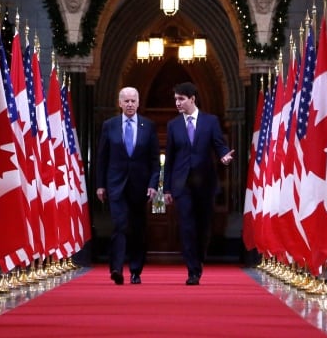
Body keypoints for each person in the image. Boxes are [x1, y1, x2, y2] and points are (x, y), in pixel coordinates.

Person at [163, 82, 234, 285]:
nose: (177, 102)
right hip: (181, 183)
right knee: (186, 225)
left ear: (192, 99)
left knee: (203, 226)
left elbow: (219, 145)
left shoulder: (210, 121)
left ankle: (200, 257)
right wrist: (167, 187)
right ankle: (192, 270)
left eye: (181, 99)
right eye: (176, 99)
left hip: (205, 182)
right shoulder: (173, 125)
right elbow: (169, 158)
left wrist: (224, 157)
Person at [95, 87, 161, 285]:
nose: (130, 104)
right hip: (116, 185)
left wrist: (153, 184)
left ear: (138, 103)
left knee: (137, 228)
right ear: (120, 103)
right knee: (120, 225)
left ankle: (135, 270)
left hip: (140, 186)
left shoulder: (148, 126)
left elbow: (154, 160)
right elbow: (102, 158)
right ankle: (116, 268)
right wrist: (100, 185)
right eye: (127, 101)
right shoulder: (109, 125)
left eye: (133, 101)